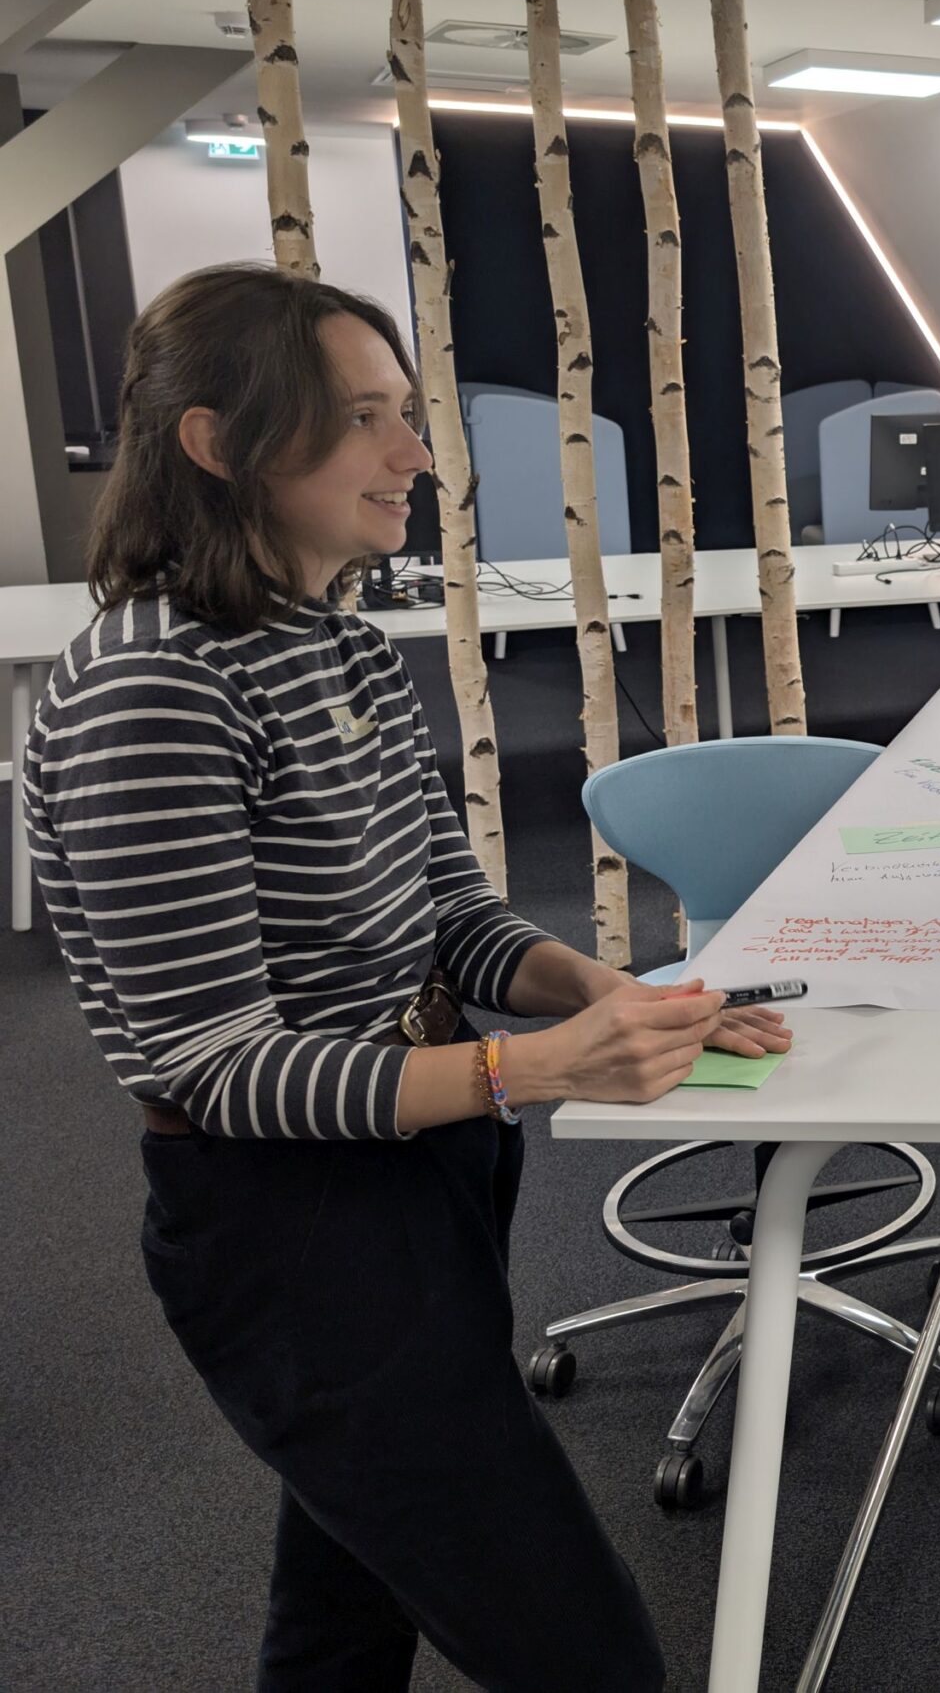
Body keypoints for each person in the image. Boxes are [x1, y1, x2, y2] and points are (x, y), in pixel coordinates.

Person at [24, 262, 793, 1691]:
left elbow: (447, 913)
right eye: (365, 418)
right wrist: (535, 1068)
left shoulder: (340, 642)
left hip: (425, 1159)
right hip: (289, 1225)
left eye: (408, 415)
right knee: (584, 1653)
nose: (416, 456)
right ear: (219, 443)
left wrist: (606, 997)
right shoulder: (154, 690)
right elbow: (215, 1065)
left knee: (348, 1599)